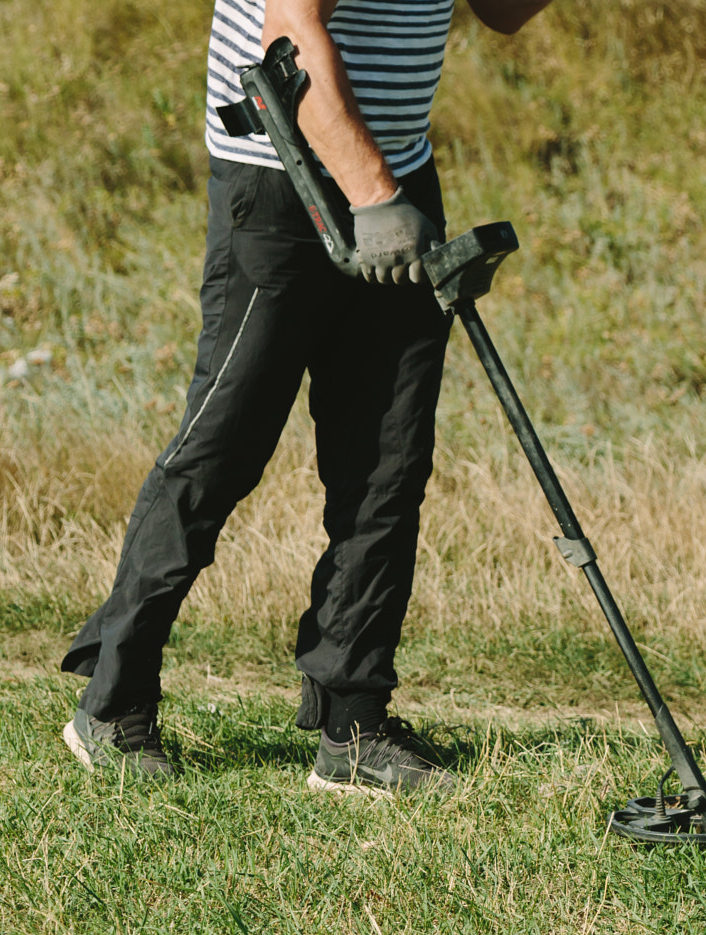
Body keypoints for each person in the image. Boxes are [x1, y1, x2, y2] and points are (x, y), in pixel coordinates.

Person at [61, 0, 552, 793]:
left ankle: (351, 728)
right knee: (224, 443)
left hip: (391, 173)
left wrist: (384, 190)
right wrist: (371, 197)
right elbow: (289, 28)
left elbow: (500, 13)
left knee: (387, 458)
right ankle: (113, 699)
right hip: (283, 176)